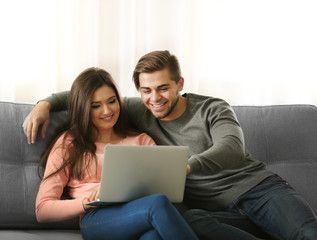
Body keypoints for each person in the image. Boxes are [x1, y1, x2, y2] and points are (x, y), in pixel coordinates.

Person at [24, 51, 317, 239]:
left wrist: (183, 167)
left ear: (179, 83)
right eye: (147, 90)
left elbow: (231, 147)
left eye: (164, 87)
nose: (155, 97)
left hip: (256, 190)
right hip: (110, 215)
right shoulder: (81, 136)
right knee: (175, 213)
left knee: (306, 232)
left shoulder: (208, 110)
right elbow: (85, 94)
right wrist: (45, 103)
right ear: (139, 92)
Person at [34, 67, 199, 240]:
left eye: (112, 101)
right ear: (82, 109)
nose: (107, 111)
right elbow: (42, 210)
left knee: (153, 236)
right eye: (96, 106)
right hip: (97, 218)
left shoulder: (142, 140)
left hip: (140, 211)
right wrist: (89, 202)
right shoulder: (69, 143)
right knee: (156, 204)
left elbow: (161, 185)